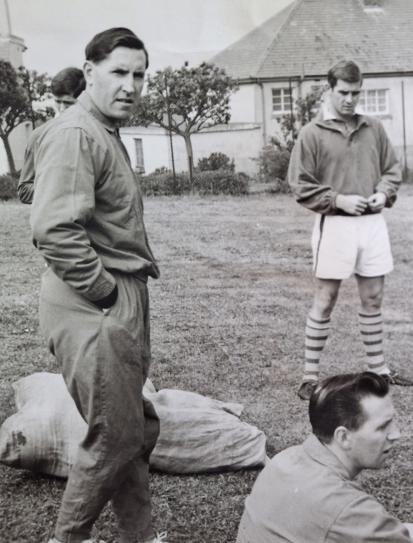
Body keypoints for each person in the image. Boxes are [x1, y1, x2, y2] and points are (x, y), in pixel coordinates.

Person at [31, 28, 165, 543]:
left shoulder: (100, 128)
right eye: (119, 73)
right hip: (95, 303)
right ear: (89, 73)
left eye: (139, 75)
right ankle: (69, 538)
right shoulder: (76, 133)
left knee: (132, 426)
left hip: (115, 297)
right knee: (116, 434)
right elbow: (53, 229)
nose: (131, 85)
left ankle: (141, 534)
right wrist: (106, 292)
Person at [288, 60, 413, 400]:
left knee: (373, 298)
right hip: (335, 225)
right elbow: (300, 184)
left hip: (371, 225)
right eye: (343, 92)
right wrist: (338, 200)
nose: (349, 100)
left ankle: (378, 370)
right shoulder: (312, 133)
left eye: (356, 93)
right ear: (329, 90)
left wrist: (383, 193)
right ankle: (309, 376)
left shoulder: (373, 127)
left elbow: (391, 169)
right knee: (325, 299)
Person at [236, 372, 413, 543]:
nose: (396, 434)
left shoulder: (285, 457)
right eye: (382, 427)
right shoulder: (348, 508)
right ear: (343, 437)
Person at [17, 67, 86, 204]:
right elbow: (24, 191)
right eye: (57, 102)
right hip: (55, 222)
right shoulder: (38, 136)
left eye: (68, 103)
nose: (61, 109)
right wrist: (61, 188)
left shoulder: (98, 133)